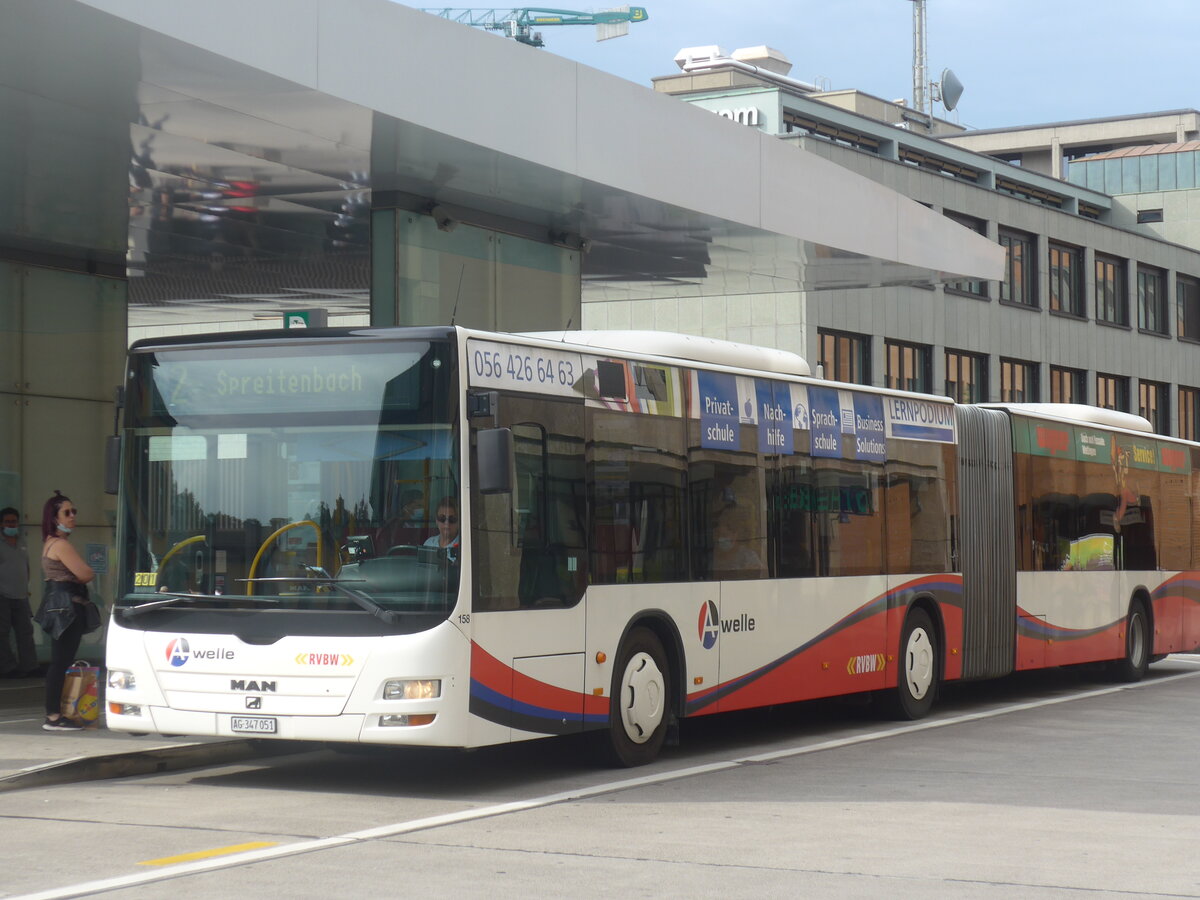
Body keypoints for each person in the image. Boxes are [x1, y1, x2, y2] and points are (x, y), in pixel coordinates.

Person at [33, 492, 98, 732]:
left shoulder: (51, 542)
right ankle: (53, 716)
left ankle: (55, 713)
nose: (72, 517)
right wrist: (85, 573)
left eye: (74, 512)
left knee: (60, 661)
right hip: (66, 607)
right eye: (67, 513)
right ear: (54, 517)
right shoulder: (60, 544)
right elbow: (85, 573)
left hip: (61, 605)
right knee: (60, 662)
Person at [0, 507, 38, 678]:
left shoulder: (22, 542)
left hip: (21, 596)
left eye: (13, 521)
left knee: (25, 632)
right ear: (1, 524)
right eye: (7, 522)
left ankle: (29, 666)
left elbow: (26, 567)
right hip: (2, 596)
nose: (11, 524)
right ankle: (7, 668)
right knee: (2, 633)